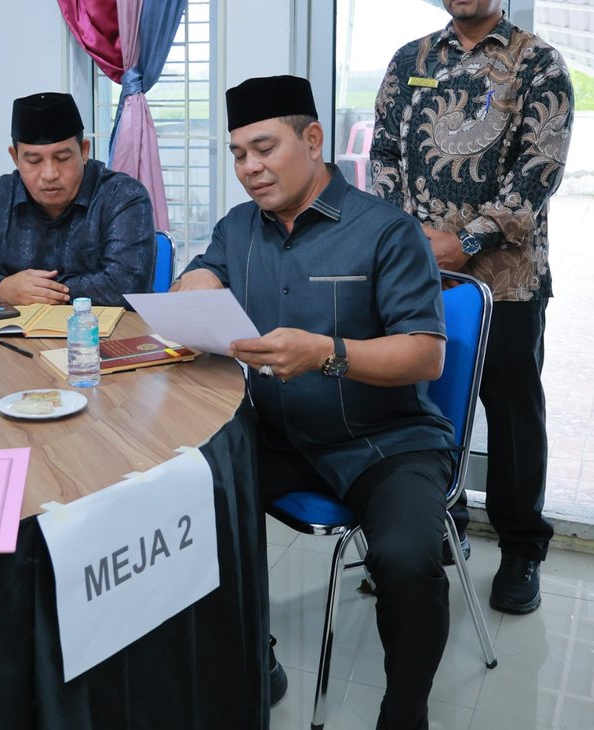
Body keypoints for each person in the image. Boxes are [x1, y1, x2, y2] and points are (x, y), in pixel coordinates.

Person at [174, 75, 452, 730]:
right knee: (187, 504)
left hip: (385, 441)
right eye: (238, 154)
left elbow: (425, 354)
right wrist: (195, 282)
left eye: (264, 148)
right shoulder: (239, 228)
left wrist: (326, 352)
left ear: (314, 139)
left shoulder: (386, 232)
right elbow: (205, 270)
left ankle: (404, 712)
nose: (249, 167)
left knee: (408, 559)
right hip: (275, 435)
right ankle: (255, 655)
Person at [369, 0, 573, 614]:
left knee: (511, 418)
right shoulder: (410, 62)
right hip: (419, 281)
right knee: (421, 407)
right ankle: (432, 526)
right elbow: (383, 155)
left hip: (505, 283)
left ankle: (521, 549)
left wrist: (469, 239)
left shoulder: (537, 63)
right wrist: (404, 237)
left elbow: (539, 171)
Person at [0, 92, 154, 309]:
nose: (49, 174)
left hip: (101, 337)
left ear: (84, 151)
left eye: (62, 158)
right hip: (10, 339)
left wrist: (33, 291)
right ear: (15, 157)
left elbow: (127, 285)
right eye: (34, 161)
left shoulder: (122, 196)